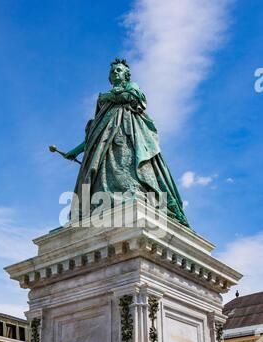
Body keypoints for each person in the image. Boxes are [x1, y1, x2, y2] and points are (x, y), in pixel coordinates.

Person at [64, 58, 189, 227]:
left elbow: (134, 97)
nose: (115, 73)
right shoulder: (104, 103)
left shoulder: (130, 88)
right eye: (113, 71)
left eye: (119, 70)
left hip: (127, 135)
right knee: (102, 173)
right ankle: (102, 202)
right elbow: (94, 136)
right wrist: (75, 151)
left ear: (126, 75)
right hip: (103, 147)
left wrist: (109, 96)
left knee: (126, 165)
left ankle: (132, 193)